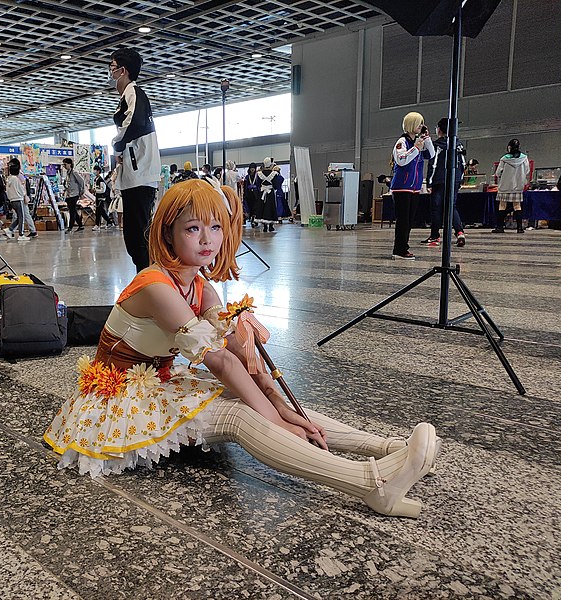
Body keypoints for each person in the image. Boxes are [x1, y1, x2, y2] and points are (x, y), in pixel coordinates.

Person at [44, 179, 440, 518]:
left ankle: (394, 449)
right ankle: (370, 484)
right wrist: (277, 419)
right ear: (168, 233)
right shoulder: (155, 286)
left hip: (157, 383)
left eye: (216, 227)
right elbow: (219, 361)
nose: (207, 240)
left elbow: (240, 354)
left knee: (256, 402)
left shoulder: (200, 286)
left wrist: (280, 403)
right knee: (240, 416)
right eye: (193, 228)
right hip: (117, 402)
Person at [109, 47, 160, 272]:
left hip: (140, 175)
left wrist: (117, 143)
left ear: (123, 70)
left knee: (138, 234)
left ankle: (148, 281)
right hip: (134, 174)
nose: (110, 73)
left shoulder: (134, 92)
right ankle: (145, 279)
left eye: (112, 68)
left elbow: (136, 123)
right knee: (133, 234)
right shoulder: (127, 95)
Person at [389, 112, 434, 260]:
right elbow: (402, 160)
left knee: (409, 220)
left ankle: (403, 247)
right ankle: (400, 249)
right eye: (419, 124)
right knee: (403, 220)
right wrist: (415, 148)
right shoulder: (402, 142)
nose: (421, 126)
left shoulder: (418, 143)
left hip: (414, 187)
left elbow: (432, 154)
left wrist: (426, 139)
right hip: (401, 186)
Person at [422, 118, 466, 248]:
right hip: (455, 179)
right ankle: (460, 232)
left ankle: (435, 236)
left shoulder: (437, 145)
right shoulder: (458, 144)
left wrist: (429, 182)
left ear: (439, 130)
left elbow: (433, 164)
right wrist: (460, 178)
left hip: (439, 180)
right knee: (451, 206)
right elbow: (463, 163)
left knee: (436, 208)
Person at [491, 139, 529, 234]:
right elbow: (527, 171)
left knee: (502, 205)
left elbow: (498, 172)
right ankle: (519, 228)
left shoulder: (504, 158)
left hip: (505, 186)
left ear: (509, 147)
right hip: (518, 186)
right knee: (517, 206)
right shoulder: (524, 158)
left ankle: (500, 227)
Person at [4, 158, 34, 241]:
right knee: (22, 217)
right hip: (18, 199)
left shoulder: (9, 179)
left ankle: (10, 229)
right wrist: (25, 195)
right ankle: (21, 234)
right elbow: (21, 190)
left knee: (19, 217)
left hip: (12, 200)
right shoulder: (16, 179)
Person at [255, 157, 279, 232]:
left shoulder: (259, 174)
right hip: (270, 192)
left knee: (262, 207)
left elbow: (258, 184)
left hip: (262, 192)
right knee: (270, 207)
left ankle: (265, 226)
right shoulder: (274, 174)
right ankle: (271, 226)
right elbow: (276, 185)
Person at [62, 157, 85, 233]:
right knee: (73, 210)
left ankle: (70, 227)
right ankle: (80, 225)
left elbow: (81, 181)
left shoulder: (74, 172)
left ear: (70, 164)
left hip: (74, 194)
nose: (64, 166)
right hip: (69, 194)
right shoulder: (67, 173)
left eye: (65, 164)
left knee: (72, 211)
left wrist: (81, 191)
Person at [90, 164, 115, 230]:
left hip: (101, 197)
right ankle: (109, 222)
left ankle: (97, 225)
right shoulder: (96, 179)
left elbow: (102, 190)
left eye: (95, 170)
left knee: (99, 211)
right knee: (101, 211)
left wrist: (95, 190)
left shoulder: (101, 180)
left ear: (98, 171)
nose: (94, 171)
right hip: (97, 197)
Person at [242, 162, 259, 227]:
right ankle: (251, 218)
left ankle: (254, 219)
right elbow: (245, 186)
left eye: (253, 168)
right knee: (250, 207)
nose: (252, 170)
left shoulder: (257, 176)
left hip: (256, 194)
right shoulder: (247, 176)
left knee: (255, 207)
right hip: (249, 194)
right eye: (251, 168)